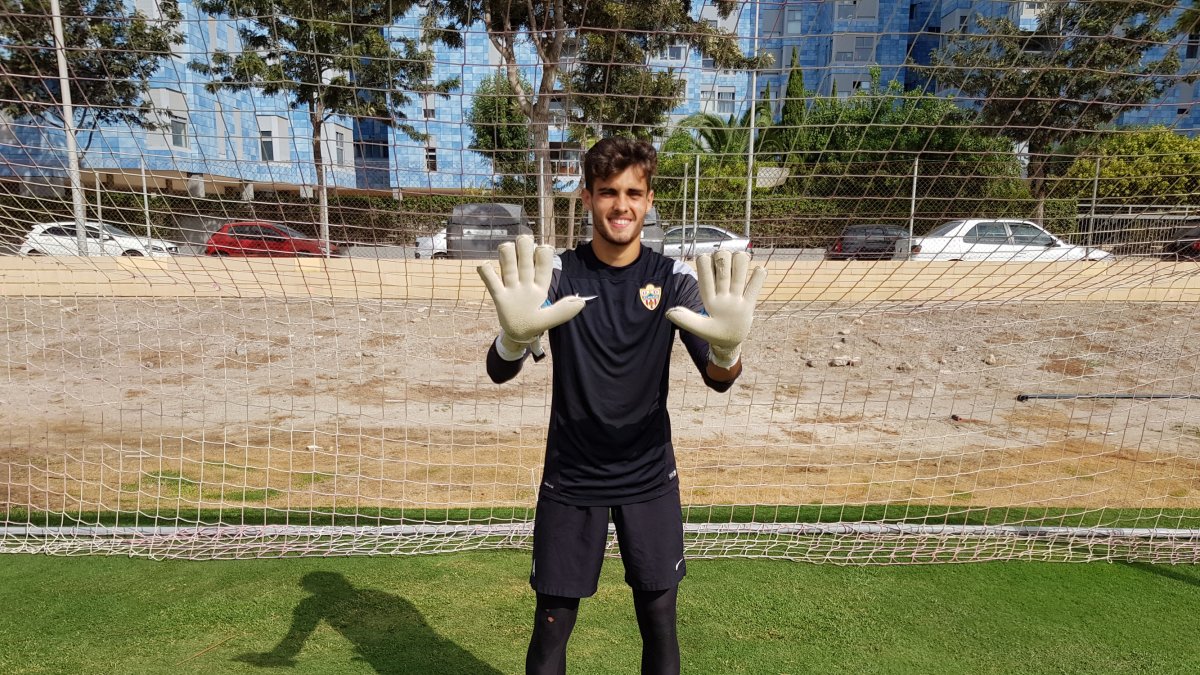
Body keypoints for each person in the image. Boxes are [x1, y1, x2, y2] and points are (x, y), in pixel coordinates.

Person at [477, 137, 766, 675]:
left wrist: (729, 347)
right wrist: (513, 338)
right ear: (586, 197)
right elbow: (499, 370)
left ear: (650, 199)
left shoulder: (673, 278)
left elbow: (718, 379)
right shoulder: (558, 274)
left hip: (649, 476)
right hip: (573, 476)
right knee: (550, 629)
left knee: (660, 622)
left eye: (633, 192)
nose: (621, 205)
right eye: (608, 192)